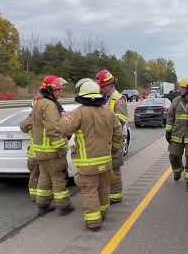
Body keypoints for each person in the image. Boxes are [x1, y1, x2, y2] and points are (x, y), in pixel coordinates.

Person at [59, 78, 123, 231]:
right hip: (106, 162)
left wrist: (63, 119)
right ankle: (103, 213)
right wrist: (113, 151)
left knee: (89, 191)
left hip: (87, 165)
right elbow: (118, 135)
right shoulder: (108, 112)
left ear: (82, 96)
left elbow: (65, 130)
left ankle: (93, 223)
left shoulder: (78, 113)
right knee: (103, 189)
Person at [31, 75, 74, 216]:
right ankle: (64, 206)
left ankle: (42, 206)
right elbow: (53, 129)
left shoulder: (38, 103)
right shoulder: (50, 105)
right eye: (58, 90)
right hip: (52, 150)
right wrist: (62, 146)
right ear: (49, 90)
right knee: (58, 178)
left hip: (41, 151)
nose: (60, 93)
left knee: (44, 178)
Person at [95, 69, 128, 204]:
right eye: (99, 86)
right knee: (104, 168)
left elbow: (122, 118)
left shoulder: (119, 99)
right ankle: (105, 194)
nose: (100, 89)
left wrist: (105, 122)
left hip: (115, 138)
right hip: (103, 140)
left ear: (109, 85)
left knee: (114, 168)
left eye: (102, 86)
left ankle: (116, 196)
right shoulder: (101, 98)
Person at [19, 95, 42, 203]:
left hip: (34, 154)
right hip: (46, 153)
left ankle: (35, 197)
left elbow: (23, 127)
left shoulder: (32, 117)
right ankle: (43, 198)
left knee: (34, 176)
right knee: (45, 177)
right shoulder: (50, 114)